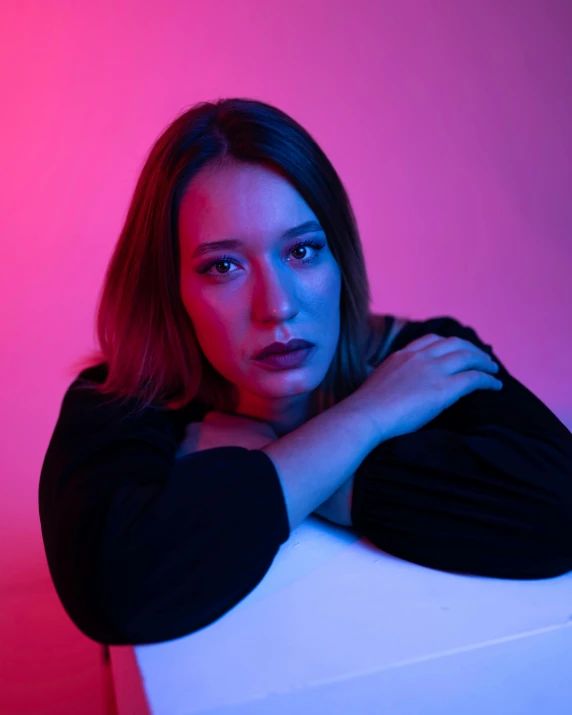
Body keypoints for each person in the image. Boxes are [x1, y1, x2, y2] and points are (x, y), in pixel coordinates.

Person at [38, 98, 572, 647]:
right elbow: (117, 593)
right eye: (224, 266)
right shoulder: (120, 398)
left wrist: (295, 448)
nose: (277, 306)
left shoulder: (424, 358)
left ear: (339, 258)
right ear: (170, 287)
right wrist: (360, 426)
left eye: (302, 251)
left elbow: (561, 512)